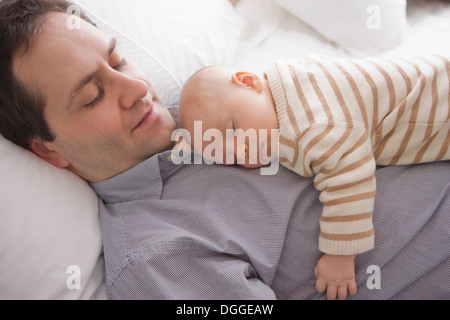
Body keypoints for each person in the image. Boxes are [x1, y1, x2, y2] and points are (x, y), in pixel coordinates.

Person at [0, 0, 449, 300]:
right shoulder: (157, 257)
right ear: (47, 152)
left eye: (117, 62)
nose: (137, 88)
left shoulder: (201, 104)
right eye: (93, 96)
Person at [178, 58, 450, 298]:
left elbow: (351, 178)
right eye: (231, 157)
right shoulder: (291, 79)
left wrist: (340, 255)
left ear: (249, 82)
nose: (243, 150)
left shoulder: (310, 126)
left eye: (234, 130)